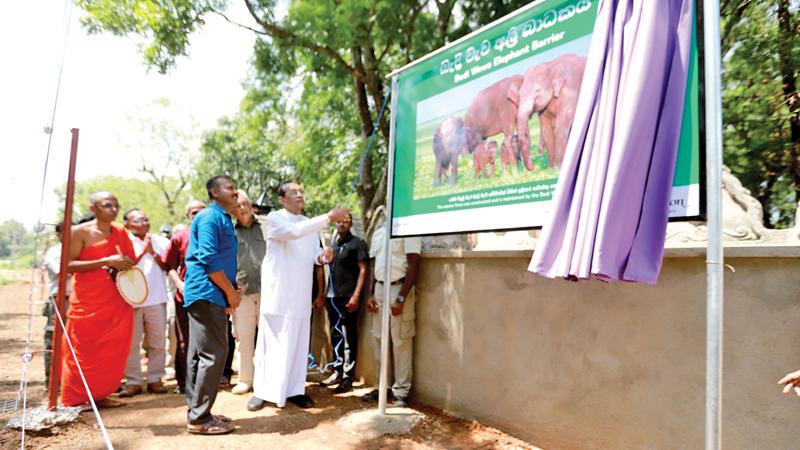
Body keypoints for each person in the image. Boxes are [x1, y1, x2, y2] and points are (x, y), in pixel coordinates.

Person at [247, 182, 348, 411]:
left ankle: (294, 390)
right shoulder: (275, 218)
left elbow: (313, 255)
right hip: (279, 293)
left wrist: (323, 257)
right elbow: (292, 234)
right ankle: (262, 391)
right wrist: (329, 216)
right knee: (271, 344)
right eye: (293, 192)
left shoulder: (308, 223)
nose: (299, 195)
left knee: (298, 345)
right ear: (282, 199)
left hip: (300, 294)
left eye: (301, 191)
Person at [62, 192, 137, 409]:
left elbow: (130, 260)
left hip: (116, 298)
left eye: (116, 205)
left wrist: (123, 262)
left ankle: (100, 395)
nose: (113, 209)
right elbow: (68, 265)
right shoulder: (79, 233)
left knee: (111, 352)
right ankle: (74, 398)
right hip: (88, 301)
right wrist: (106, 261)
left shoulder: (121, 232)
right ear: (93, 208)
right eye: (107, 205)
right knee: (82, 350)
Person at [183, 176, 240, 435]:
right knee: (213, 354)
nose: (235, 191)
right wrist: (230, 292)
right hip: (208, 294)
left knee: (201, 355)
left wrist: (231, 285)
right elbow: (207, 258)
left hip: (211, 293)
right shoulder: (209, 217)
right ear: (214, 192)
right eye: (230, 187)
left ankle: (199, 412)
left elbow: (218, 258)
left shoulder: (223, 218)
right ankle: (199, 420)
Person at [362, 214, 421, 407]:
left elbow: (414, 264)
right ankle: (383, 387)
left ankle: (401, 392)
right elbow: (373, 265)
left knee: (401, 340)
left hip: (398, 288)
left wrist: (402, 298)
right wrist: (370, 293)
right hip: (379, 289)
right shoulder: (380, 232)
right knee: (379, 339)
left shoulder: (409, 230)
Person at [119, 209, 170, 397]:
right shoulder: (123, 242)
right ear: (127, 225)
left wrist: (153, 253)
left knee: (157, 342)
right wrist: (143, 250)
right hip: (131, 300)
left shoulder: (161, 241)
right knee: (132, 343)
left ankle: (155, 379)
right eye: (138, 220)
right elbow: (125, 266)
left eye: (146, 218)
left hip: (157, 298)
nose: (144, 223)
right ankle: (133, 381)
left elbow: (168, 266)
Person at [321, 212, 368, 393]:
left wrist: (356, 296)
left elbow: (363, 270)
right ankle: (337, 370)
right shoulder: (333, 245)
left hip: (348, 298)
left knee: (349, 337)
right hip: (332, 298)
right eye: (338, 221)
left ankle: (348, 377)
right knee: (335, 335)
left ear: (350, 223)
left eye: (344, 221)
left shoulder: (356, 243)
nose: (340, 224)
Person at [164, 204, 205, 394]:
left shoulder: (217, 234)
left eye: (202, 211)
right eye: (194, 212)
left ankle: (207, 381)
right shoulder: (179, 237)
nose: (199, 215)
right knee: (185, 341)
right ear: (188, 215)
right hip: (185, 297)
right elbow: (169, 266)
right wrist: (179, 283)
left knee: (209, 341)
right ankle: (185, 383)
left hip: (211, 296)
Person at [230, 190, 266, 395]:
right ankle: (245, 380)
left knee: (268, 338)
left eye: (244, 204)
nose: (241, 208)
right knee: (244, 338)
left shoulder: (268, 226)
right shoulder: (228, 230)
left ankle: (267, 378)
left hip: (268, 292)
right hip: (241, 293)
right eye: (237, 206)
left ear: (251, 205)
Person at [41, 222, 71, 388]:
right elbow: (64, 272)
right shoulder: (54, 252)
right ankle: (53, 382)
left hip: (77, 300)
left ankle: (69, 380)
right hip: (60, 301)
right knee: (54, 341)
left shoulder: (77, 250)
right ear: (58, 235)